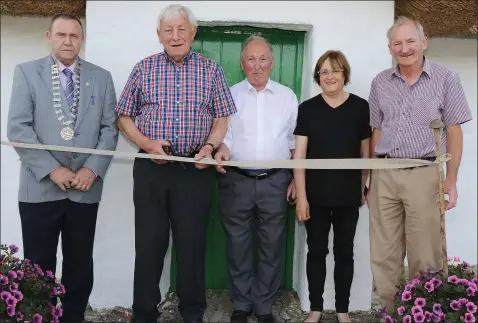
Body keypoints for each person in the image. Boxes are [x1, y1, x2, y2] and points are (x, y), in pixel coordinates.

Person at [115, 4, 237, 323]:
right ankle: (143, 313)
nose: (175, 35)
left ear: (193, 33)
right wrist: (146, 144)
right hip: (151, 169)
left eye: (182, 29)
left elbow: (222, 118)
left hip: (193, 170)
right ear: (159, 35)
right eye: (168, 30)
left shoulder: (211, 70)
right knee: (150, 245)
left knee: (191, 245)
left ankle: (193, 313)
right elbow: (123, 116)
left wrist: (209, 147)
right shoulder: (143, 69)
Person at [6, 14, 119, 323]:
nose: (68, 41)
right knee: (38, 265)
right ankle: (39, 317)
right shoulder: (27, 73)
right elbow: (18, 128)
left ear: (81, 39)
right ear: (49, 36)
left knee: (80, 264)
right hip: (39, 188)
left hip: (85, 189)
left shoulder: (101, 77)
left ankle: (73, 318)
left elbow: (110, 130)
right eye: (61, 35)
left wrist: (92, 170)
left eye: (74, 35)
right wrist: (52, 170)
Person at [366, 16, 472, 315]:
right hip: (384, 173)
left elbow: (454, 130)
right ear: (390, 48)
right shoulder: (379, 83)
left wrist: (450, 180)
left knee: (425, 253)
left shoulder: (446, 78)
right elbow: (376, 130)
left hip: (425, 173)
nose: (405, 48)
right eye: (398, 43)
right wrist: (371, 176)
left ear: (424, 43)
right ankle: (390, 314)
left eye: (410, 41)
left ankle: (423, 315)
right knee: (384, 253)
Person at [214, 35, 298, 323]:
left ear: (271, 62)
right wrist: (222, 148)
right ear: (242, 63)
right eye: (251, 59)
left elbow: (293, 143)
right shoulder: (229, 94)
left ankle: (263, 305)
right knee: (237, 245)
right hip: (236, 180)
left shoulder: (287, 96)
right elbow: (223, 137)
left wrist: (296, 180)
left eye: (263, 59)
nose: (257, 65)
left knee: (272, 245)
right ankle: (240, 304)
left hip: (276, 181)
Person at [293, 50, 371, 323]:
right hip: (315, 195)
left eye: (335, 71)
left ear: (344, 74)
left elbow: (366, 153)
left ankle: (342, 311)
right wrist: (302, 197)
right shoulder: (308, 109)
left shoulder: (361, 107)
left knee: (344, 252)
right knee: (316, 251)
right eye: (324, 72)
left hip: (348, 195)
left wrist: (363, 186)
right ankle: (315, 308)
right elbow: (298, 157)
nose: (329, 76)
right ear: (318, 77)